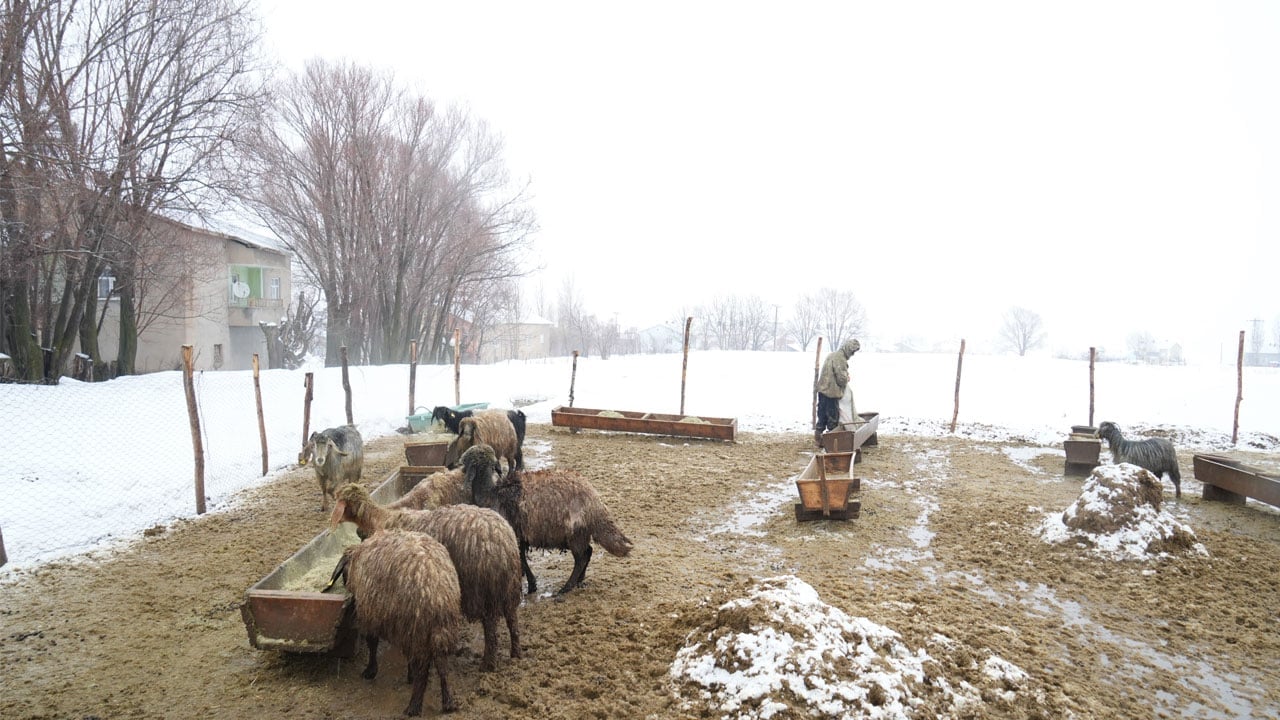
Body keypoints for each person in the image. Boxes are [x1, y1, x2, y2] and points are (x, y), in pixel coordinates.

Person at [815, 338, 860, 446]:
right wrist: (847, 378)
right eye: (853, 352)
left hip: (822, 389)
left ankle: (818, 438)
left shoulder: (832, 355)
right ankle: (831, 442)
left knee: (822, 415)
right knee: (832, 418)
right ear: (849, 349)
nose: (852, 355)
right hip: (831, 392)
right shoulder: (840, 359)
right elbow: (841, 378)